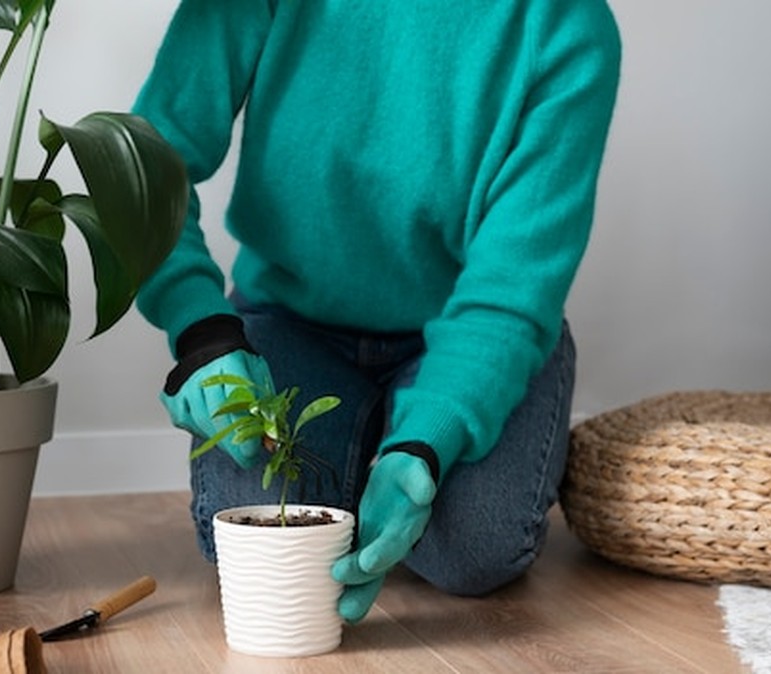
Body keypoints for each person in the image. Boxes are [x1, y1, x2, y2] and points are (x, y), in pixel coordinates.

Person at [131, 0, 621, 624]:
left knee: (471, 551)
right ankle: (362, 464)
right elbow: (144, 165)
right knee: (259, 535)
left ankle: (391, 446)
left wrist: (422, 444)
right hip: (289, 323)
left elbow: (511, 288)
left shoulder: (568, 26)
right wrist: (202, 333)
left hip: (471, 336)